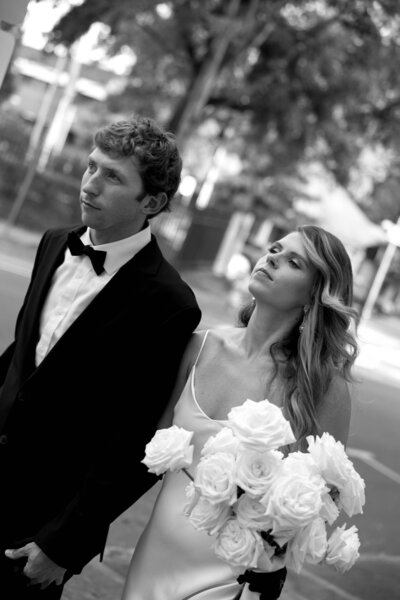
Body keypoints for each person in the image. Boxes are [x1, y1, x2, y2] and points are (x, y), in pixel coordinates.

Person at [0, 114, 201, 599]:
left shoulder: (169, 303)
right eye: (92, 167)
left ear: (151, 202)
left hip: (36, 528)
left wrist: (64, 545)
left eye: (113, 177)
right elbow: (23, 359)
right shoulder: (53, 243)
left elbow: (133, 441)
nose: (90, 183)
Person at [121, 224, 359, 600]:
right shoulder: (200, 346)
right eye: (275, 249)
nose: (272, 258)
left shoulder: (322, 387)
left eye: (293, 261)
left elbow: (322, 503)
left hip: (234, 581)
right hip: (154, 559)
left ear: (315, 295)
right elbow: (144, 453)